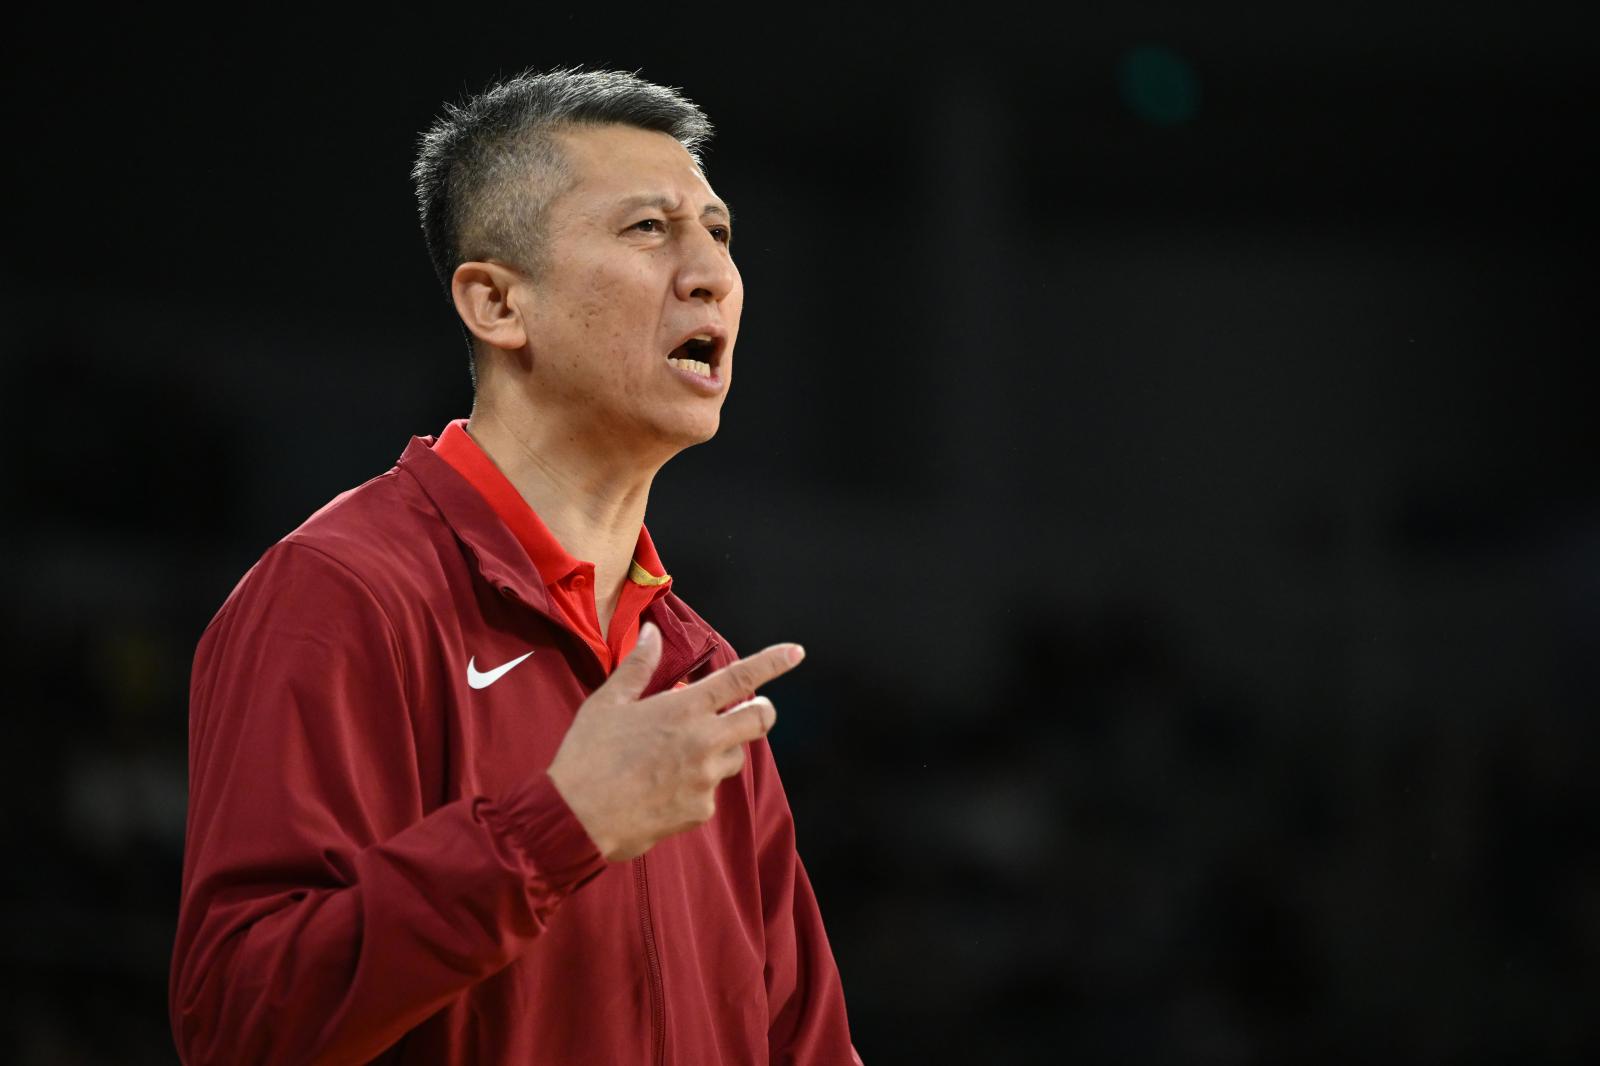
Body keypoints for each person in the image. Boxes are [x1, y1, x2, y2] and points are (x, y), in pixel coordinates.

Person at [169, 68, 861, 1064]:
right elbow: (238, 1022)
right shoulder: (343, 593)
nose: (712, 272)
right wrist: (556, 827)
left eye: (718, 231)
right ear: (496, 302)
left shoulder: (699, 674)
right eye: (649, 230)